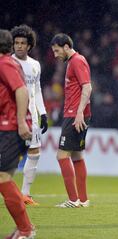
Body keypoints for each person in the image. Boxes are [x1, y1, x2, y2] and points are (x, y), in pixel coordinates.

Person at [0, 29, 35, 239]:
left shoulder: (4, 63)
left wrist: (21, 121)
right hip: (7, 126)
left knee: (3, 178)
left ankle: (25, 229)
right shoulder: (10, 63)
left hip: (11, 128)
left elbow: (21, 91)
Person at [51, 33, 92, 208]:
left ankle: (73, 200)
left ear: (66, 47)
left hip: (75, 114)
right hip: (75, 113)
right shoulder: (73, 61)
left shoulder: (76, 61)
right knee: (76, 155)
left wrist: (79, 113)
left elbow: (87, 87)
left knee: (61, 155)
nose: (55, 54)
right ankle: (82, 200)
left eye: (57, 50)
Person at [11, 24, 48, 206]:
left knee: (34, 152)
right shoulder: (7, 63)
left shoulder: (35, 65)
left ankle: (25, 194)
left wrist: (43, 113)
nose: (19, 46)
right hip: (11, 116)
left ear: (29, 45)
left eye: (22, 43)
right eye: (16, 43)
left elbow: (37, 90)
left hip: (31, 117)